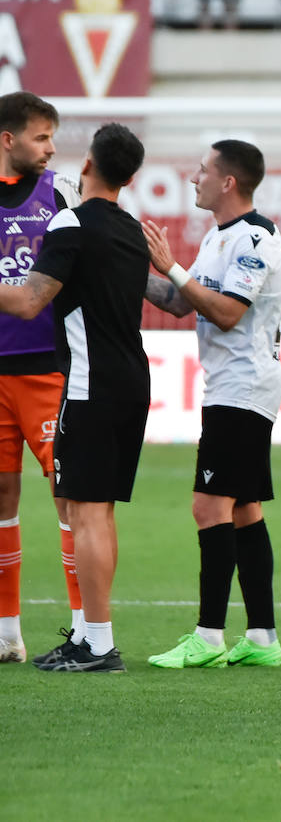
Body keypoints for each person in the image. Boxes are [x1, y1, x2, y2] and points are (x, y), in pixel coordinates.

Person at [0, 122, 147, 673]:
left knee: (84, 513)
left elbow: (28, 302)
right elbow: (165, 299)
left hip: (87, 382)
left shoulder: (69, 220)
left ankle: (98, 644)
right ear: (130, 176)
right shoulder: (132, 229)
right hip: (133, 378)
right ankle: (90, 635)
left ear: (88, 165)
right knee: (99, 513)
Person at [140, 141, 281, 670]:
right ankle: (263, 638)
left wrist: (172, 265)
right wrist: (132, 265)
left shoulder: (256, 238)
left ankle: (207, 636)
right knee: (245, 509)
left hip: (243, 388)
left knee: (208, 506)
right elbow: (182, 302)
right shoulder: (217, 237)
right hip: (232, 386)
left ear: (228, 182)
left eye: (202, 171)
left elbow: (225, 312)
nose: (193, 178)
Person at [0, 92, 82, 665]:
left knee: (69, 501)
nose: (50, 149)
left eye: (52, 138)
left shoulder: (61, 194)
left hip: (48, 372)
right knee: (3, 503)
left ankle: (85, 628)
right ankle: (8, 633)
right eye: (40, 138)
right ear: (8, 139)